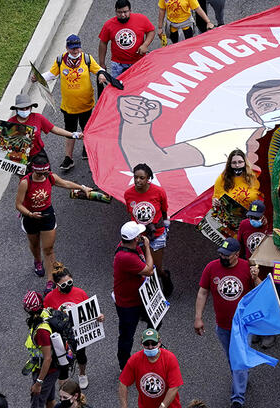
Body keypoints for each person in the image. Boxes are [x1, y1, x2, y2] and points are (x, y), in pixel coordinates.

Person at [196, 237, 257, 408]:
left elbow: (261, 291)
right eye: (221, 254)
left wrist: (256, 277)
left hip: (243, 326)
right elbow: (203, 292)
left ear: (237, 254)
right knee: (233, 358)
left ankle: (237, 398)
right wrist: (198, 317)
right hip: (222, 325)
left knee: (239, 358)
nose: (222, 257)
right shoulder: (211, 267)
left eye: (227, 255)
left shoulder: (247, 268)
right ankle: (242, 378)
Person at [16, 152, 94, 286]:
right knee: (35, 245)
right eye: (39, 174)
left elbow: (65, 184)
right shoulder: (25, 182)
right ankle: (37, 261)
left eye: (44, 173)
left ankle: (50, 281)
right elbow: (18, 204)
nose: (42, 177)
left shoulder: (50, 177)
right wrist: (30, 214)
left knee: (49, 249)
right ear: (33, 170)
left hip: (47, 216)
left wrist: (82, 187)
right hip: (30, 217)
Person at [36, 35, 107, 169]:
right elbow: (51, 75)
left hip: (86, 104)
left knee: (87, 129)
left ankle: (87, 150)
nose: (75, 51)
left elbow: (99, 70)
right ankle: (68, 158)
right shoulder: (60, 60)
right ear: (67, 48)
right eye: (72, 48)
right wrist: (38, 77)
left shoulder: (87, 59)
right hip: (69, 106)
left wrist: (102, 75)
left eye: (77, 48)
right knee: (70, 131)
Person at [44, 262, 102, 390]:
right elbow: (45, 317)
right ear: (57, 285)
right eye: (64, 285)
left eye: (70, 282)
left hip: (79, 334)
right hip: (61, 338)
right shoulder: (49, 298)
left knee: (81, 355)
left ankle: (82, 374)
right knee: (61, 361)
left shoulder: (80, 293)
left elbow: (89, 312)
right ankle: (65, 385)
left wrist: (98, 317)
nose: (68, 286)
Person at [112, 221, 156, 369]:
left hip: (140, 297)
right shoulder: (126, 257)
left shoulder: (128, 246)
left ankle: (151, 343)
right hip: (128, 304)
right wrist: (148, 247)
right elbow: (149, 270)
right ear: (135, 238)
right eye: (139, 235)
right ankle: (124, 365)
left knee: (156, 320)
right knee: (126, 336)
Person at [126, 164, 173, 295]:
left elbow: (164, 211)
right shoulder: (128, 194)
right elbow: (131, 214)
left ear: (148, 179)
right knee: (144, 268)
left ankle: (165, 277)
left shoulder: (159, 192)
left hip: (157, 234)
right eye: (135, 177)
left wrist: (166, 227)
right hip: (139, 237)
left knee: (156, 268)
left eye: (142, 178)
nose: (138, 181)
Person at [118, 328, 183, 408]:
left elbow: (174, 387)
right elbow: (123, 383)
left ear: (159, 343)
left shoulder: (170, 358)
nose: (150, 347)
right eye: (146, 344)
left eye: (153, 343)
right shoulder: (135, 360)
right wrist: (124, 406)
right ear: (142, 344)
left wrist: (162, 406)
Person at [21, 290, 61, 408]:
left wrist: (38, 383)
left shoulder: (42, 332)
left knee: (37, 403)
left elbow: (47, 358)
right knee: (50, 400)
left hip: (47, 371)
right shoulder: (45, 313)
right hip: (49, 370)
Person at [98, 0, 156, 78]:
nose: (122, 15)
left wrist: (145, 45)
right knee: (117, 87)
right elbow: (103, 43)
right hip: (117, 64)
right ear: (115, 11)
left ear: (130, 11)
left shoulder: (141, 19)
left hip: (138, 61)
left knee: (139, 85)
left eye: (125, 12)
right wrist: (102, 63)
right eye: (119, 12)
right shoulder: (108, 25)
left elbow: (151, 31)